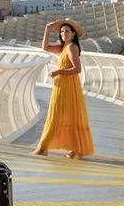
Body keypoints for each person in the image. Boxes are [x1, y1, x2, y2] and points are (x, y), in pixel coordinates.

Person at [32, 18, 95, 159]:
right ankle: (74, 149)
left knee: (56, 115)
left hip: (68, 87)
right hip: (62, 86)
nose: (63, 33)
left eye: (67, 31)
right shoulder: (63, 48)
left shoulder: (72, 47)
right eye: (61, 31)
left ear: (73, 34)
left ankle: (43, 147)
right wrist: (47, 31)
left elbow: (77, 69)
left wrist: (58, 72)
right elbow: (46, 48)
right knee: (65, 115)